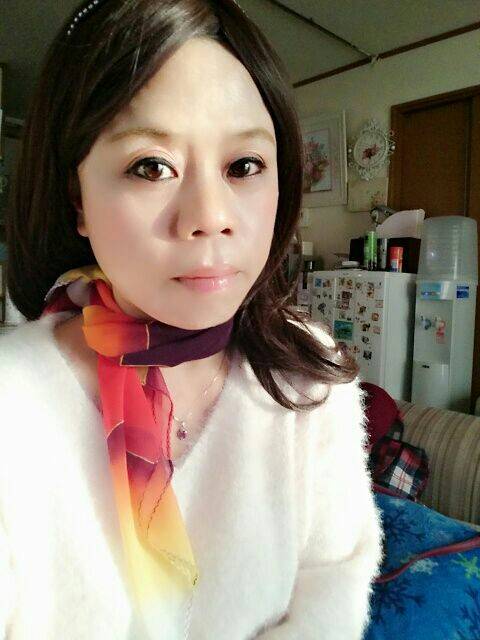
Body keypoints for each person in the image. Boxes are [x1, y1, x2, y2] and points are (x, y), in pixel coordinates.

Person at [0, 1, 384, 638]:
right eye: (151, 166)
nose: (211, 216)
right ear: (78, 201)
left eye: (244, 166)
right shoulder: (12, 403)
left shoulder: (306, 377)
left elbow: (334, 582)